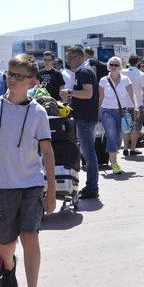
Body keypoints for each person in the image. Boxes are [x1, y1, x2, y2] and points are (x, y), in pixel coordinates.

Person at [0, 54, 56, 287]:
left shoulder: (38, 112)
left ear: (32, 81)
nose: (11, 79)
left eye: (18, 76)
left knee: (30, 237)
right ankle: (8, 266)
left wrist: (51, 190)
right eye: (10, 74)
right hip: (3, 185)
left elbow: (47, 152)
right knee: (4, 245)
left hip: (31, 184)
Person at [59, 47, 100, 198]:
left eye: (70, 58)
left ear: (80, 57)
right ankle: (91, 186)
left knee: (89, 155)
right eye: (67, 58)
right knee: (88, 154)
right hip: (84, 117)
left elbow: (87, 94)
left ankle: (92, 188)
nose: (68, 61)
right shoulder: (83, 72)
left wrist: (69, 92)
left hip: (85, 118)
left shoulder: (84, 72)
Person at [99, 56, 139, 175]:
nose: (114, 67)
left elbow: (133, 95)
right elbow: (100, 98)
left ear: (121, 67)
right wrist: (97, 113)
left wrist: (136, 106)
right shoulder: (103, 80)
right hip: (107, 110)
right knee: (111, 134)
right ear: (108, 66)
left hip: (121, 112)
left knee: (118, 138)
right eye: (111, 64)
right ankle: (115, 163)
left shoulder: (126, 79)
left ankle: (112, 156)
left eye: (116, 65)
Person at [122, 55, 144, 152]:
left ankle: (125, 148)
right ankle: (132, 148)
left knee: (125, 127)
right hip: (137, 104)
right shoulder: (140, 74)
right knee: (136, 127)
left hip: (124, 103)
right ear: (138, 63)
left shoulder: (122, 72)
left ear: (129, 61)